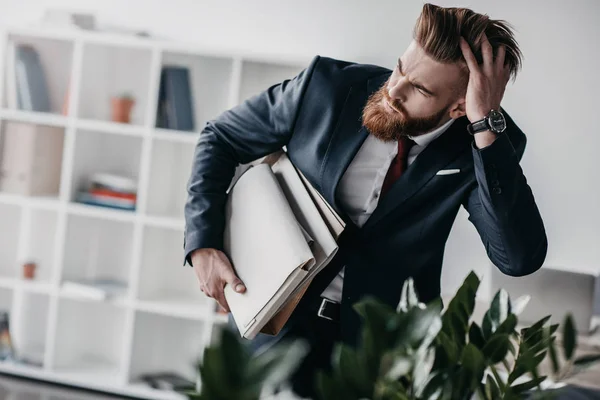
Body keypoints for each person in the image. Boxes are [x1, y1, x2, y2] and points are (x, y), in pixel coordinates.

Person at [183, 3, 547, 397]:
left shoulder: (482, 145)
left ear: (460, 106)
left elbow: (517, 257)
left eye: (420, 89)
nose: (394, 91)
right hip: (275, 322)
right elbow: (219, 138)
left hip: (382, 359)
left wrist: (484, 127)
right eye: (400, 68)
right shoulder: (326, 86)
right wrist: (202, 244)